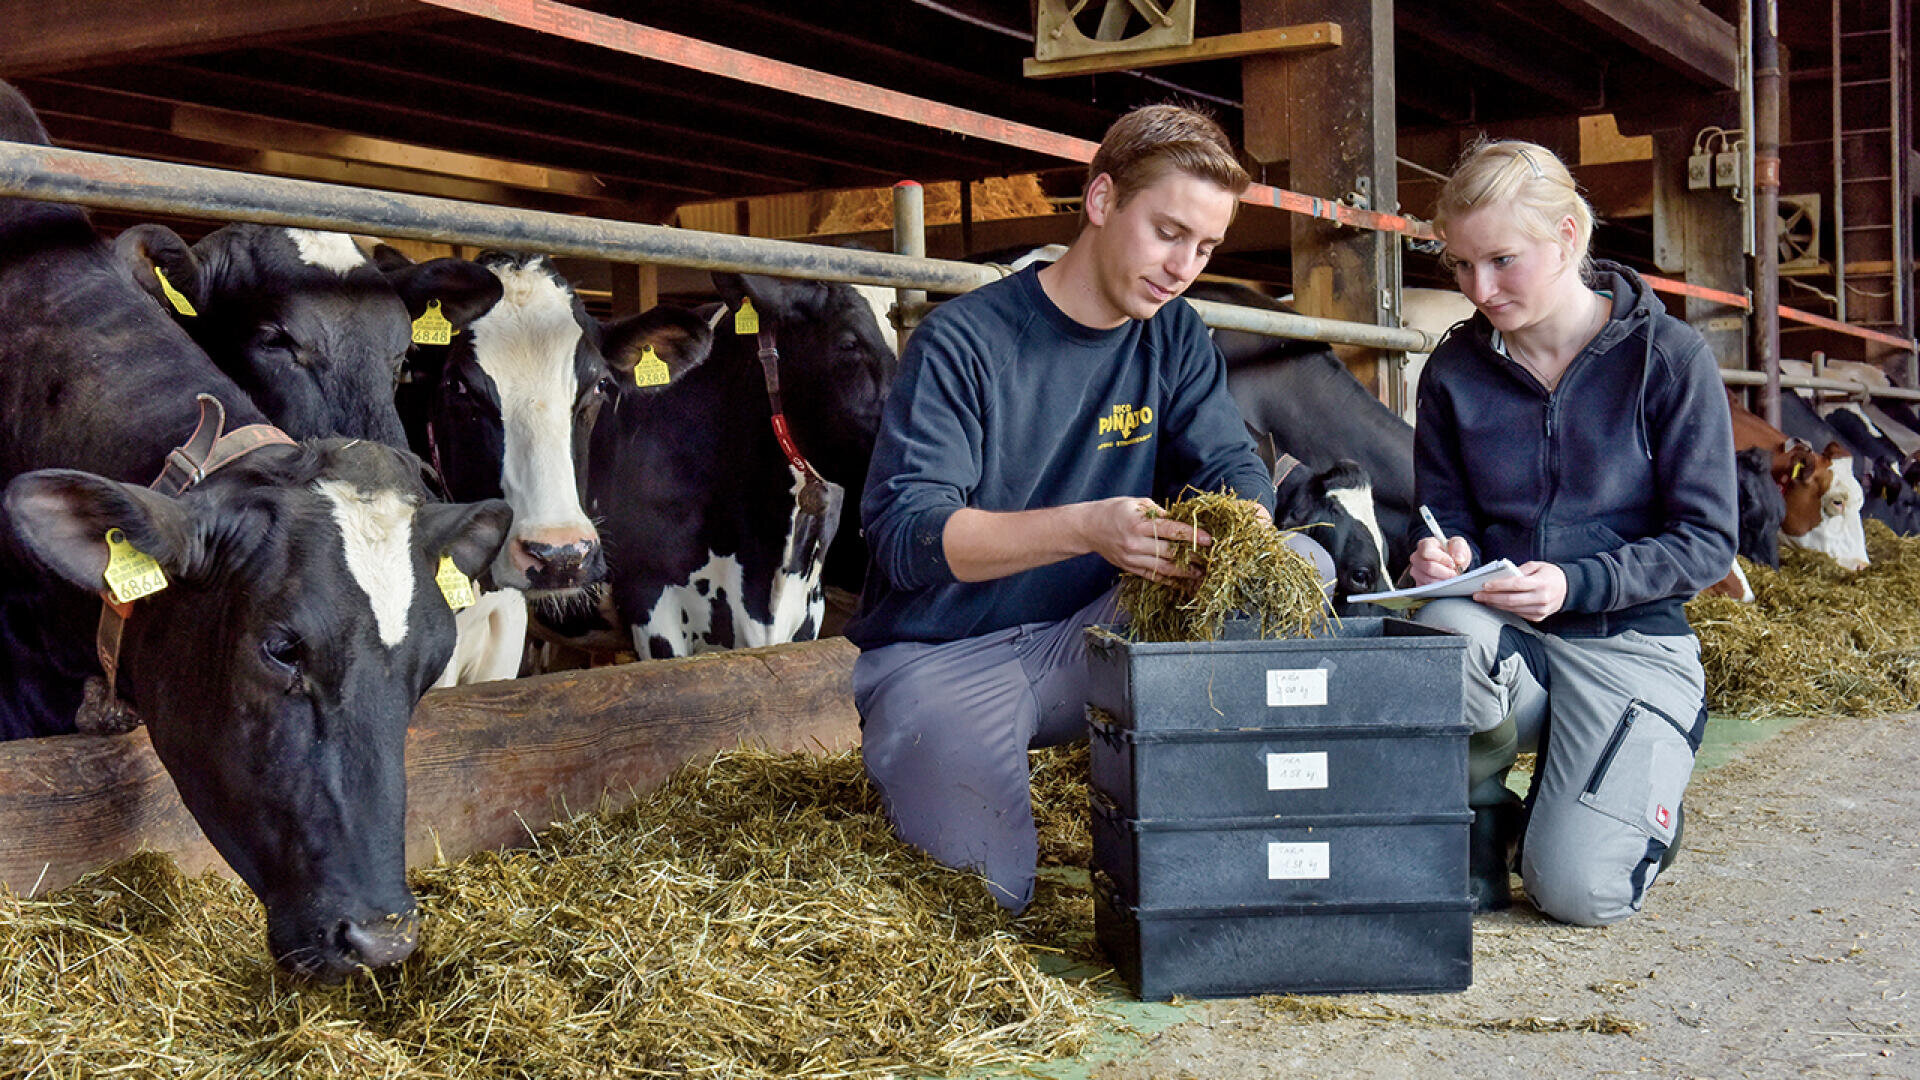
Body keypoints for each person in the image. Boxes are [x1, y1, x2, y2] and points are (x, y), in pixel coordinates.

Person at [845, 104, 1322, 912]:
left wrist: (1242, 529)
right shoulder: (963, 343)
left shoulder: (1172, 336)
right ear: (1102, 202)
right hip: (946, 656)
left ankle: (1212, 823)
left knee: (1291, 571)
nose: (1183, 268)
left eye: (1204, 247)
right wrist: (1091, 527)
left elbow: (1232, 463)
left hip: (1091, 638)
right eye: (1168, 232)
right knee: (987, 897)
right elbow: (905, 535)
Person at [1409, 139, 1737, 924]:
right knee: (1441, 629)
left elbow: (1705, 540)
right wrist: (1442, 552)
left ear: (1569, 236)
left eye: (1502, 261)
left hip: (1630, 644)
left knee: (1579, 893)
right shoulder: (1454, 372)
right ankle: (1484, 817)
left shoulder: (1669, 359)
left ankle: (1622, 802)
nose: (1478, 288)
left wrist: (1574, 582)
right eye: (1460, 265)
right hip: (1509, 638)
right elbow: (1443, 511)